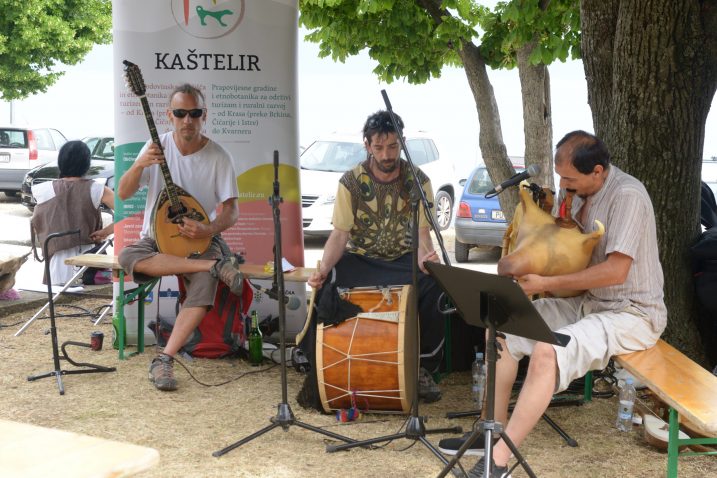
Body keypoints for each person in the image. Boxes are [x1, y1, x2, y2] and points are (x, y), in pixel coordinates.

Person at [445, 130, 667, 477]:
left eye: (569, 178)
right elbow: (574, 254)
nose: (563, 184)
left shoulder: (628, 196)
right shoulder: (580, 194)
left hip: (632, 313)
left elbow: (615, 271)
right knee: (502, 323)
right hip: (589, 304)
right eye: (561, 176)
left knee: (549, 352)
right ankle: (490, 431)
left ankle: (497, 464)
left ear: (597, 171)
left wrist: (546, 283)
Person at [300, 110, 447, 404]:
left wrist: (426, 259)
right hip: (363, 259)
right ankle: (320, 358)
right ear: (367, 145)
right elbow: (340, 234)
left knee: (435, 286)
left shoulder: (419, 180)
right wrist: (325, 267)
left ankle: (422, 368)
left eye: (393, 146)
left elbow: (422, 234)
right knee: (330, 282)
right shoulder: (350, 182)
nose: (386, 154)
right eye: (379, 147)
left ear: (402, 143)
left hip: (404, 260)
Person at [118, 83, 243, 392]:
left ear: (204, 116)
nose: (188, 120)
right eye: (181, 113)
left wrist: (207, 229)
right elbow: (123, 192)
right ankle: (212, 266)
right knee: (127, 256)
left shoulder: (218, 156)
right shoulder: (155, 146)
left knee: (205, 286)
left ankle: (164, 358)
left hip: (199, 240)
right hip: (156, 239)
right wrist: (140, 164)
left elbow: (231, 212)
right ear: (169, 115)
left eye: (195, 113)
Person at [31, 140, 114, 285]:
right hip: (89, 259)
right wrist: (106, 231)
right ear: (86, 163)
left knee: (58, 304)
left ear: (61, 161)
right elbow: (128, 212)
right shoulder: (96, 188)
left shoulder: (42, 190)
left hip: (56, 260)